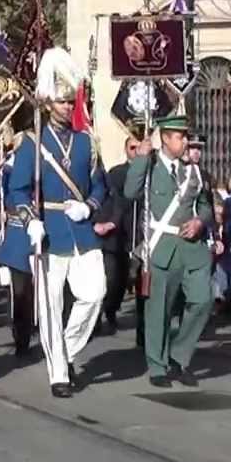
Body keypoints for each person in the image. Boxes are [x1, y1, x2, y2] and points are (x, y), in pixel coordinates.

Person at [4, 48, 106, 399]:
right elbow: (16, 190)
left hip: (80, 230)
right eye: (62, 102)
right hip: (47, 231)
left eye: (70, 102)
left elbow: (99, 185)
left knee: (94, 294)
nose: (67, 107)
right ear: (47, 103)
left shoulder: (86, 141)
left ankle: (66, 348)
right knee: (50, 305)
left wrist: (89, 207)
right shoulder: (31, 143)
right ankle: (59, 372)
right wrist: (30, 219)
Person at [124, 116, 213, 388]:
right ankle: (158, 365)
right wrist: (140, 157)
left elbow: (205, 205)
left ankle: (179, 355)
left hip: (192, 249)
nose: (186, 141)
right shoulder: (150, 167)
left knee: (202, 301)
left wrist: (200, 221)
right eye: (180, 136)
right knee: (158, 311)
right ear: (165, 138)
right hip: (161, 247)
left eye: (186, 136)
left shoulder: (193, 172)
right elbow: (130, 192)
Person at [0, 131, 36, 358]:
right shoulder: (8, 170)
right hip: (18, 232)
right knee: (20, 291)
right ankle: (22, 335)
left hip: (41, 229)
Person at [94, 136, 142, 337]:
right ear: (126, 149)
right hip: (116, 234)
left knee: (130, 279)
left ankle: (120, 313)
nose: (136, 151)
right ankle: (100, 314)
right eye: (133, 147)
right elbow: (109, 200)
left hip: (138, 232)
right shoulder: (117, 173)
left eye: (139, 147)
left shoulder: (150, 172)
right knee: (112, 278)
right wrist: (111, 221)